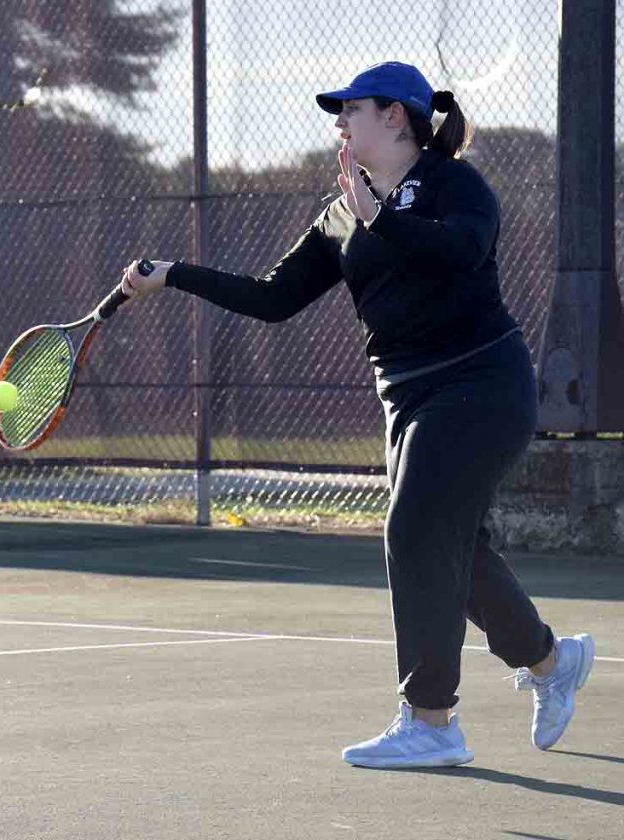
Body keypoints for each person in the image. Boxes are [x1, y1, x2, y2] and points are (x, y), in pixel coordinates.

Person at [120, 61, 595, 769]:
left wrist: (384, 219)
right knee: (451, 547)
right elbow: (274, 298)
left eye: (352, 109)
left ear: (395, 116)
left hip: (481, 383)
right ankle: (553, 663)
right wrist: (174, 275)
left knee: (413, 528)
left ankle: (431, 722)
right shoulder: (341, 213)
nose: (340, 122)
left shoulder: (453, 185)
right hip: (405, 397)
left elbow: (463, 252)